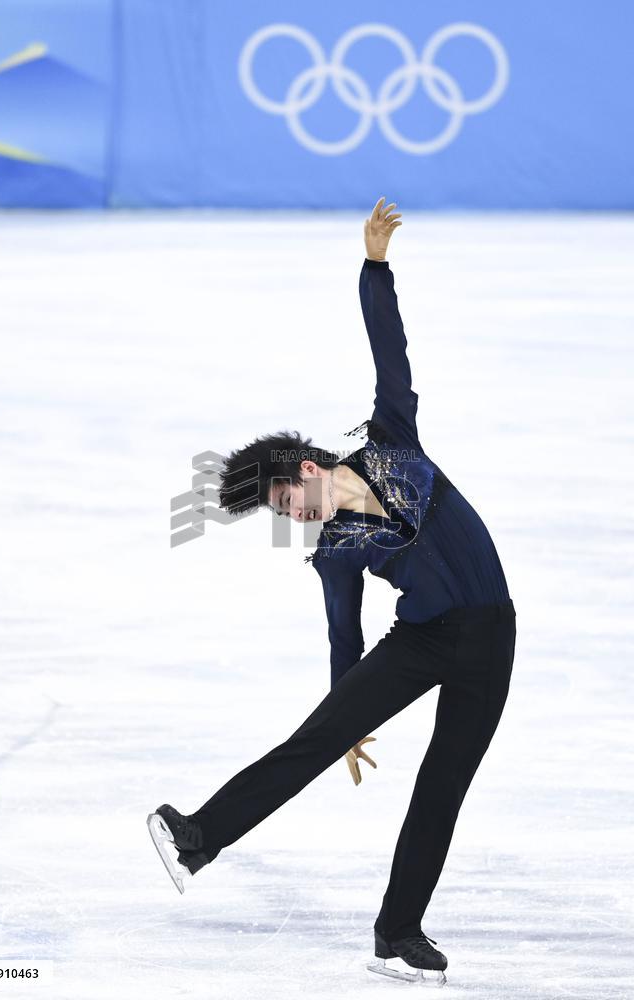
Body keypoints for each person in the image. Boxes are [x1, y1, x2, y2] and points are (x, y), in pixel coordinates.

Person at [147, 197, 517, 985]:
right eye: (279, 514)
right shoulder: (333, 553)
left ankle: (397, 933)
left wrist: (374, 266)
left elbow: (390, 350)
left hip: (492, 635)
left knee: (443, 786)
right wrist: (347, 713)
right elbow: (342, 636)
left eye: (285, 501)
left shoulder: (392, 444)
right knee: (312, 742)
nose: (291, 517)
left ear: (308, 469)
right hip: (420, 642)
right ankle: (199, 835)